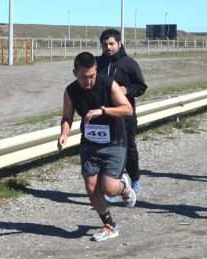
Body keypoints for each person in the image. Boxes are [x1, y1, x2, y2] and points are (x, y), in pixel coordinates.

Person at [58, 52, 136, 241]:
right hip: (90, 143)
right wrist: (64, 134)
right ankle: (109, 224)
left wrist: (104, 110)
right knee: (92, 188)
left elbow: (128, 109)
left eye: (92, 76)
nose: (89, 81)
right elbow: (67, 117)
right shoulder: (71, 91)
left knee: (109, 188)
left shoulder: (108, 84)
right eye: (84, 77)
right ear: (75, 73)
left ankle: (124, 186)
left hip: (114, 141)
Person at [96, 29, 147, 195]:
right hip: (105, 115)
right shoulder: (98, 64)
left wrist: (127, 90)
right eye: (105, 44)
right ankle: (111, 184)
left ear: (119, 44)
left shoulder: (129, 63)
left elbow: (141, 87)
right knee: (108, 150)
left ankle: (135, 179)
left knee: (128, 147)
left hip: (126, 115)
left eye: (111, 44)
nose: (108, 47)